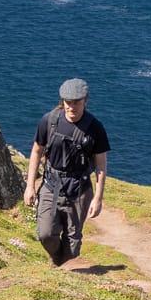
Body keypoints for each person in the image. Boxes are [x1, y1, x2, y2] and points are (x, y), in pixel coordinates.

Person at [26, 77, 110, 266]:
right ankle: (56, 261)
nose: (72, 107)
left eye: (77, 102)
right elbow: (36, 151)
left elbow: (101, 166)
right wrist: (30, 186)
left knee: (72, 248)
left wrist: (98, 198)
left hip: (79, 190)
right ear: (62, 101)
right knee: (46, 233)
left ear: (85, 101)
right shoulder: (49, 121)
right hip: (51, 185)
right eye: (68, 103)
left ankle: (60, 266)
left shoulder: (95, 128)